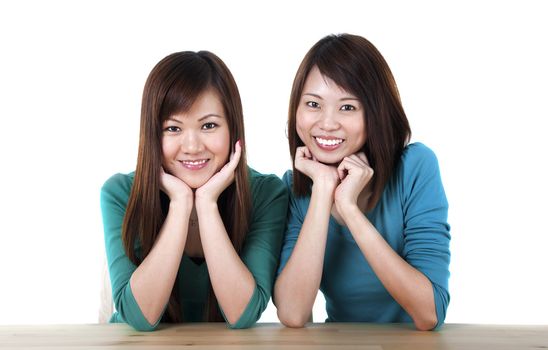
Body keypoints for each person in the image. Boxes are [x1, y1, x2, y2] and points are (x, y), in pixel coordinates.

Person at [100, 51, 288, 331]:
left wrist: (208, 203)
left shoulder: (266, 193)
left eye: (209, 125)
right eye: (173, 128)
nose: (192, 146)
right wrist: (179, 204)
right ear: (152, 134)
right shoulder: (120, 193)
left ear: (233, 128)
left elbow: (242, 314)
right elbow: (140, 319)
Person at [274, 34, 451, 331]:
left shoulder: (416, 168)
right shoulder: (296, 188)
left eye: (348, 107)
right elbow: (292, 313)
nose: (327, 123)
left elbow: (429, 313)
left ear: (377, 113)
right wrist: (322, 190)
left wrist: (350, 210)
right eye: (313, 104)